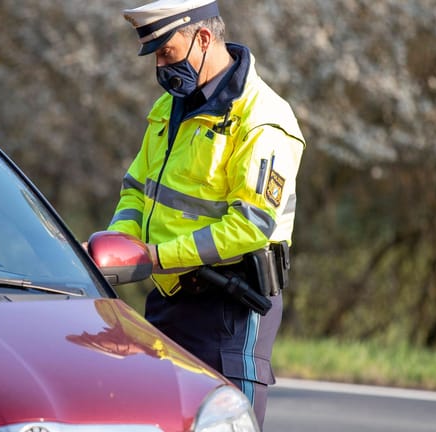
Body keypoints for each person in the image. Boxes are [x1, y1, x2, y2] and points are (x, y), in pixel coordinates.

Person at [104, 0, 305, 428]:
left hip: (230, 308)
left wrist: (154, 257)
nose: (160, 67)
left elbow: (250, 226)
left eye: (167, 52)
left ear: (203, 38)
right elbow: (136, 189)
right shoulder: (171, 106)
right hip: (167, 300)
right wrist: (119, 245)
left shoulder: (262, 119)